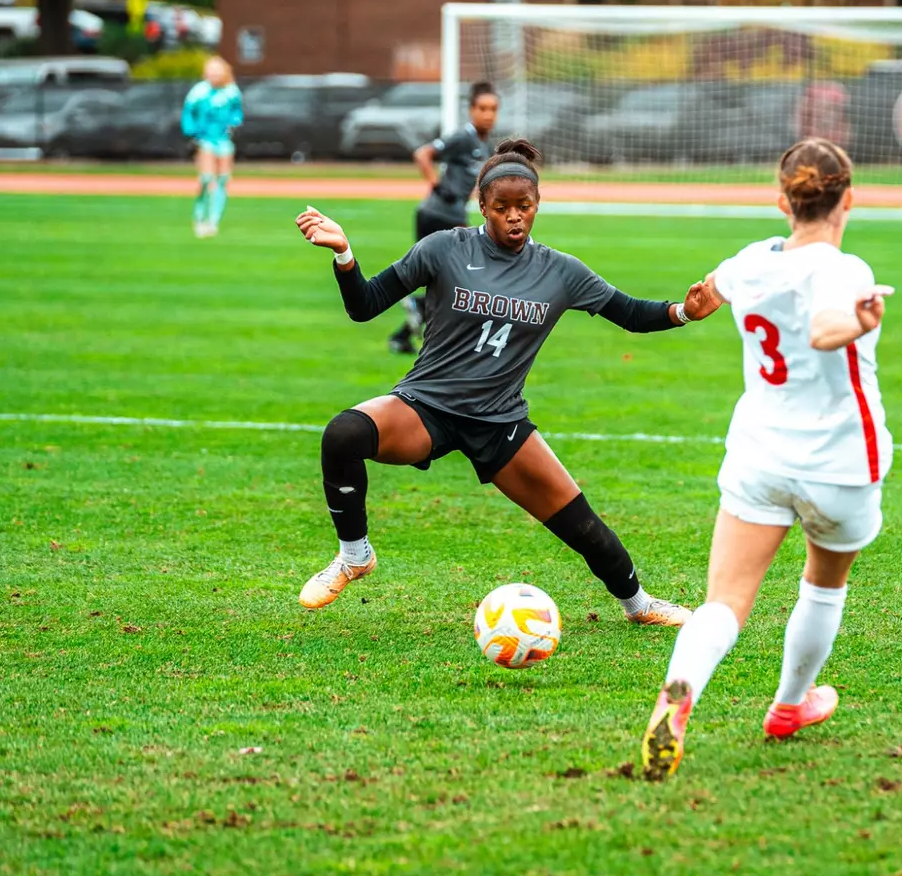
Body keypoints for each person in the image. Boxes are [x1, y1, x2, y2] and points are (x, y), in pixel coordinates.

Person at [294, 139, 722, 626]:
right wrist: (345, 254)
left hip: (500, 423)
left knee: (583, 527)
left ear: (538, 205)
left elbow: (629, 313)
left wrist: (684, 312)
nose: (514, 217)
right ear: (482, 207)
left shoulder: (561, 271)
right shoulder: (444, 248)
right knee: (344, 434)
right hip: (427, 407)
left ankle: (640, 605)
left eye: (525, 207)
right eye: (502, 208)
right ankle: (354, 556)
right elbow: (364, 305)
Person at [639, 138, 892, 781]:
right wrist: (858, 322)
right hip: (837, 464)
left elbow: (705, 296)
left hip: (759, 454)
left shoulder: (752, 261)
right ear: (848, 199)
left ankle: (678, 695)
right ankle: (787, 706)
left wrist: (696, 303)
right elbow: (823, 329)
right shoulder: (844, 270)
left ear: (783, 200)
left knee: (723, 602)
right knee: (822, 584)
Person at [389, 81, 501, 354]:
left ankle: (404, 334)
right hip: (436, 215)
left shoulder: (484, 145)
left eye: (493, 109)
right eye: (482, 108)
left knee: (454, 280)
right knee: (463, 277)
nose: (488, 114)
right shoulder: (463, 137)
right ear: (471, 110)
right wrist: (437, 185)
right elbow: (423, 154)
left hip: (452, 216)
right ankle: (427, 318)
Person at [181, 56, 243, 238]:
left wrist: (234, 123)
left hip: (223, 140)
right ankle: (199, 218)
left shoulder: (231, 92)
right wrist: (191, 132)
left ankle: (213, 221)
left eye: (217, 70)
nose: (214, 74)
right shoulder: (198, 92)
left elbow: (237, 112)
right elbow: (188, 114)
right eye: (210, 70)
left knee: (223, 179)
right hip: (205, 139)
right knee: (206, 179)